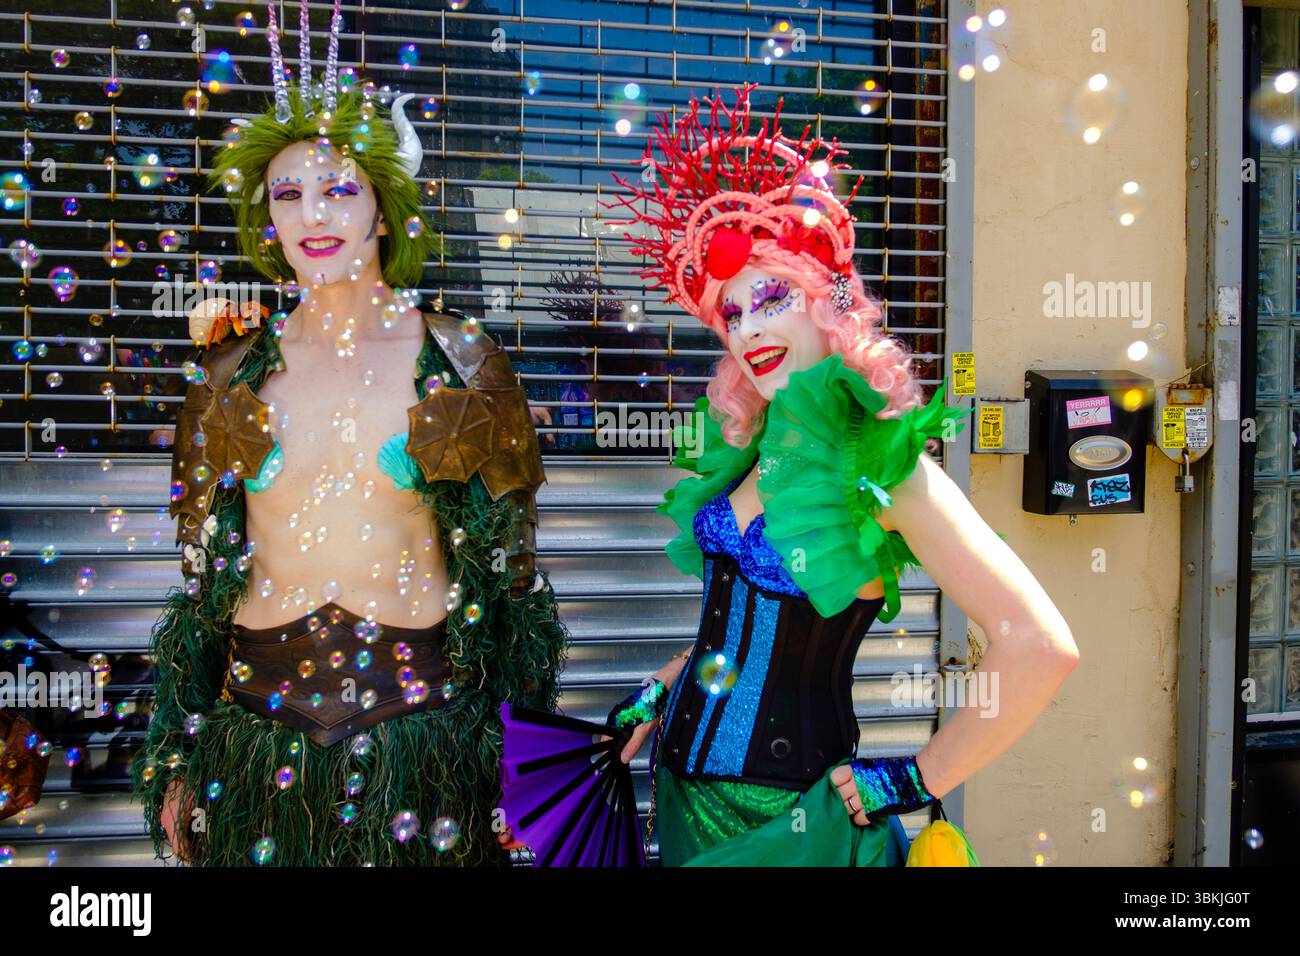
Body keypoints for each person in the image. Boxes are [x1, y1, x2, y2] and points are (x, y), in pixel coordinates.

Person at [130, 1, 566, 866]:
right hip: (257, 740)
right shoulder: (231, 374)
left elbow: (514, 588)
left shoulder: (460, 361)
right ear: (267, 217)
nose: (312, 214)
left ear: (381, 207)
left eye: (339, 187)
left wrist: (520, 762)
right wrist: (179, 752)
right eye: (288, 193)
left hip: (424, 745)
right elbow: (200, 588)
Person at [601, 84, 1080, 866]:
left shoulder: (886, 466)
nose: (750, 326)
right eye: (731, 312)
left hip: (798, 828)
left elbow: (1040, 644)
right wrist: (658, 693)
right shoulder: (747, 452)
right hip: (683, 802)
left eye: (772, 295)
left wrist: (918, 776)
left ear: (827, 302)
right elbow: (728, 640)